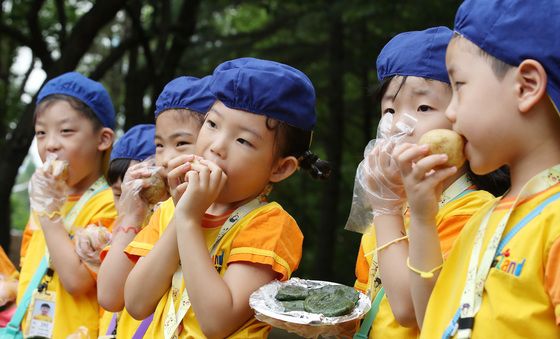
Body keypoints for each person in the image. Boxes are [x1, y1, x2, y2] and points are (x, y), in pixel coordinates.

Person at [124, 57, 330, 338]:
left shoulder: (269, 225)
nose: (217, 147)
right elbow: (136, 303)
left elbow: (217, 322)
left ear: (280, 168)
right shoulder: (172, 207)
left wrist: (187, 220)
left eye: (243, 140)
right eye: (211, 125)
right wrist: (182, 212)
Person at [392, 1, 560, 338]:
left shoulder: (554, 222)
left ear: (526, 86)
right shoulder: (485, 219)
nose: (450, 113)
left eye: (459, 87)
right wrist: (423, 219)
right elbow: (431, 323)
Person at [351, 27, 502, 339]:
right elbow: (365, 302)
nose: (400, 126)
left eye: (423, 108)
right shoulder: (392, 211)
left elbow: (408, 311)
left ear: (461, 117)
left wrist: (385, 209)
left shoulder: (473, 211)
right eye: (390, 109)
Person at [97, 76, 215, 339]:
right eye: (159, 145)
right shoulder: (162, 215)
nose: (165, 160)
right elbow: (110, 295)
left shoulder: (228, 216)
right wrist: (132, 214)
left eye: (181, 143)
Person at [18, 72, 116, 338]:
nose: (50, 144)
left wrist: (49, 212)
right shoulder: (44, 201)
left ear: (103, 139)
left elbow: (77, 281)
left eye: (66, 131)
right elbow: (28, 263)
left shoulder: (110, 204)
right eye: (41, 133)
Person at [98, 123, 156, 338]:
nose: (130, 201)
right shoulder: (118, 233)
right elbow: (108, 299)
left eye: (142, 191)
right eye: (118, 193)